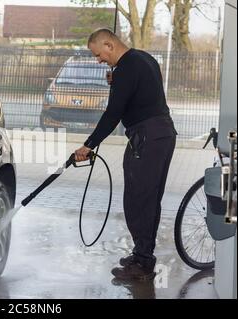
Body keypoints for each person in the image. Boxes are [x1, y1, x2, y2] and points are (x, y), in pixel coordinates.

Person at [75, 29, 177, 281]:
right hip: (160, 134)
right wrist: (117, 82)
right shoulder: (144, 58)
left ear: (109, 45)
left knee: (138, 201)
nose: (99, 60)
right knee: (146, 199)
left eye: (99, 54)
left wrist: (89, 145)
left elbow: (113, 113)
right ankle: (142, 255)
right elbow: (144, 92)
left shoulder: (126, 69)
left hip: (147, 137)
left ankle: (142, 265)